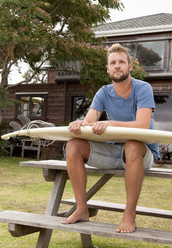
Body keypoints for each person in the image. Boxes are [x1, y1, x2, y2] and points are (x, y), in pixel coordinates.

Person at [61, 43, 159, 233]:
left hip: (141, 153)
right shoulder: (104, 92)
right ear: (108, 69)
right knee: (73, 145)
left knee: (132, 145)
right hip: (114, 152)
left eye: (121, 62)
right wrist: (79, 124)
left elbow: (143, 125)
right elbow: (89, 121)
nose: (117, 65)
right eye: (113, 62)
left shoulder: (143, 88)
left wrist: (111, 123)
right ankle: (81, 208)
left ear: (130, 67)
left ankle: (129, 214)